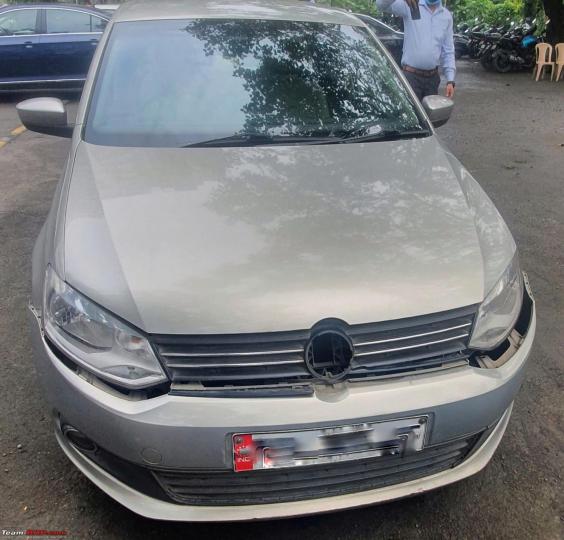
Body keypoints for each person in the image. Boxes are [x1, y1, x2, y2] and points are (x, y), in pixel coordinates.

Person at [375, 0, 456, 101]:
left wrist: (450, 80)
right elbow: (380, 5)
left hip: (432, 80)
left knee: (431, 115)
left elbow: (448, 50)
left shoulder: (446, 16)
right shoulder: (411, 4)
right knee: (411, 115)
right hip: (411, 77)